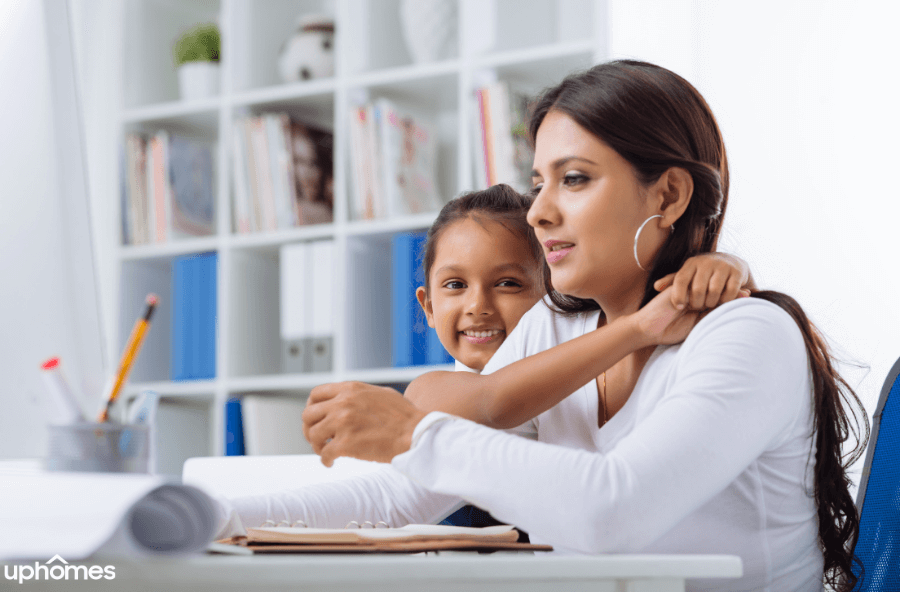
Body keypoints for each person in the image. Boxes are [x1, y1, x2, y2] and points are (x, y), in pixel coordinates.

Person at [302, 61, 868, 591]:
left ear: (668, 195)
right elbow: (405, 494)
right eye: (538, 183)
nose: (537, 212)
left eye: (573, 179)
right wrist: (224, 516)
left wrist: (411, 434)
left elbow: (615, 512)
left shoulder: (749, 333)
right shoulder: (555, 325)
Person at [215, 182, 751, 536]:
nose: (478, 307)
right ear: (425, 304)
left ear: (556, 284)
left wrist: (717, 266)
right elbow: (399, 492)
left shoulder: (561, 333)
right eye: (455, 284)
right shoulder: (463, 386)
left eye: (509, 283)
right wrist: (227, 517)